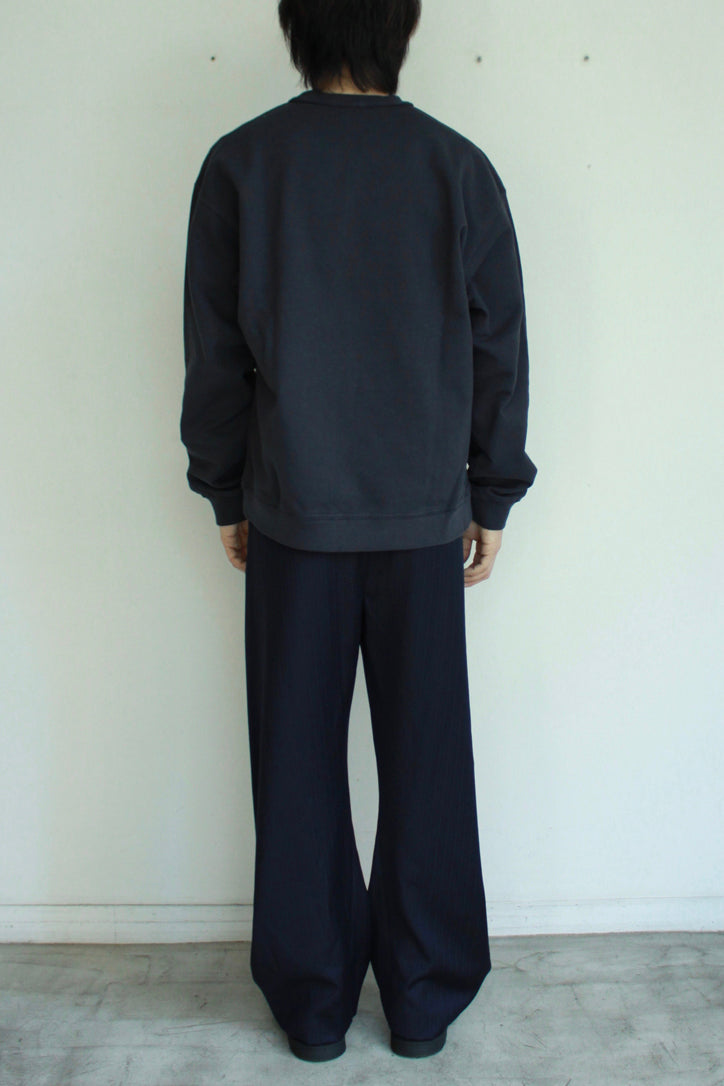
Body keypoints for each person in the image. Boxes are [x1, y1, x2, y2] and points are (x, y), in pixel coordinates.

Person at [180, 0, 537, 1064]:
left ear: (299, 28)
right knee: (429, 764)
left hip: (294, 517)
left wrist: (227, 492)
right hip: (422, 521)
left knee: (295, 765)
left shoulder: (242, 165)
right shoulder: (456, 168)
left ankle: (312, 1007)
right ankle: (422, 1005)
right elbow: (499, 349)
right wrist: (490, 496)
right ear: (401, 29)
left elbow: (215, 356)